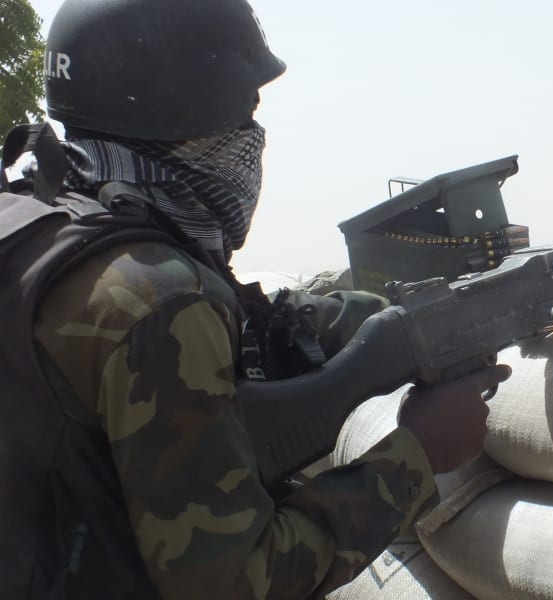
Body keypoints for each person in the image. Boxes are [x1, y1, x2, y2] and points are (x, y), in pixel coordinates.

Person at [0, 0, 510, 598]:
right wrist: (416, 454)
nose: (254, 138)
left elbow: (251, 322)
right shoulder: (161, 301)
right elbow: (240, 581)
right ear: (189, 114)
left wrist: (391, 322)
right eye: (244, 115)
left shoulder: (38, 219)